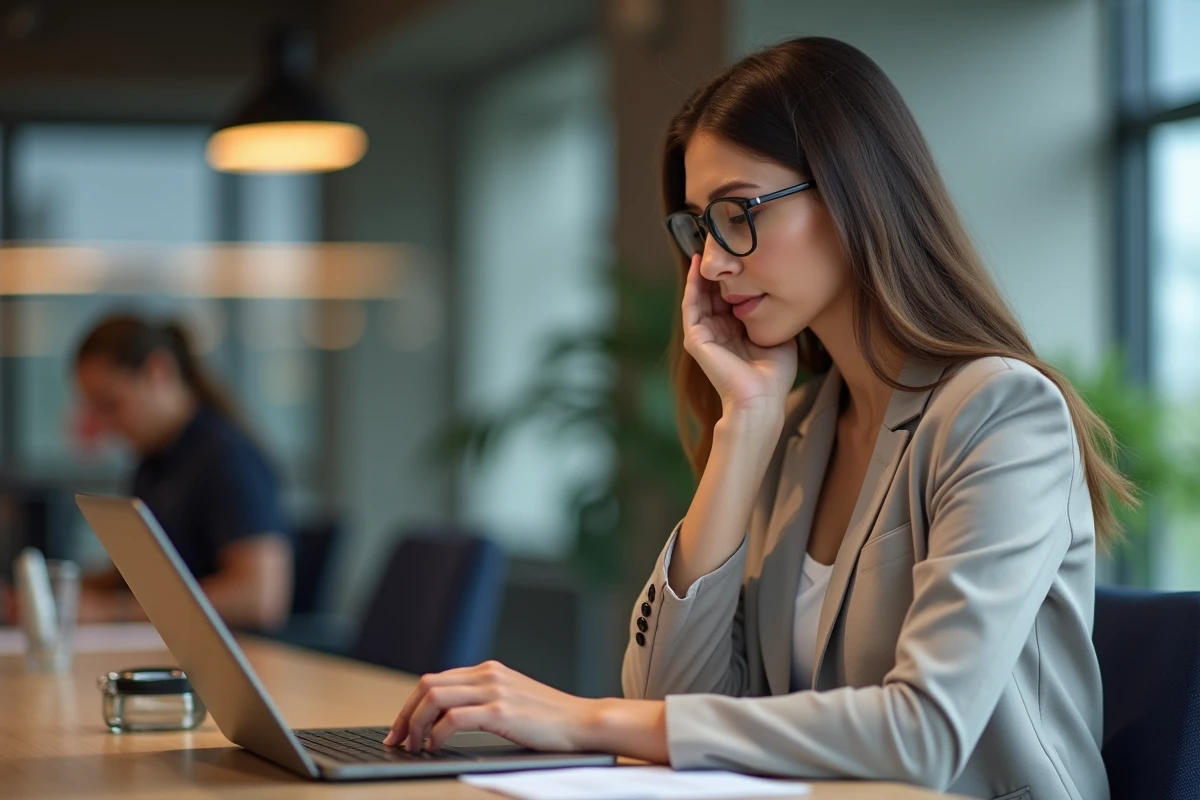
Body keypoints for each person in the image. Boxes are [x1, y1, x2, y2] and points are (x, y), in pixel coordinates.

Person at [381, 37, 1133, 800]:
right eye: (699, 227)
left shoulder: (1000, 413)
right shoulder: (795, 428)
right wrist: (744, 425)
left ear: (851, 192)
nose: (709, 263)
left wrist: (588, 720)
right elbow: (670, 699)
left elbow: (924, 734)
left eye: (737, 214)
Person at [71, 313, 293, 631]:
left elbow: (258, 597)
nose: (105, 425)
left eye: (111, 404)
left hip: (239, 656)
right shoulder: (153, 463)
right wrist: (64, 592)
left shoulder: (225, 456)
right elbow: (140, 575)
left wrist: (111, 612)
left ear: (158, 371)